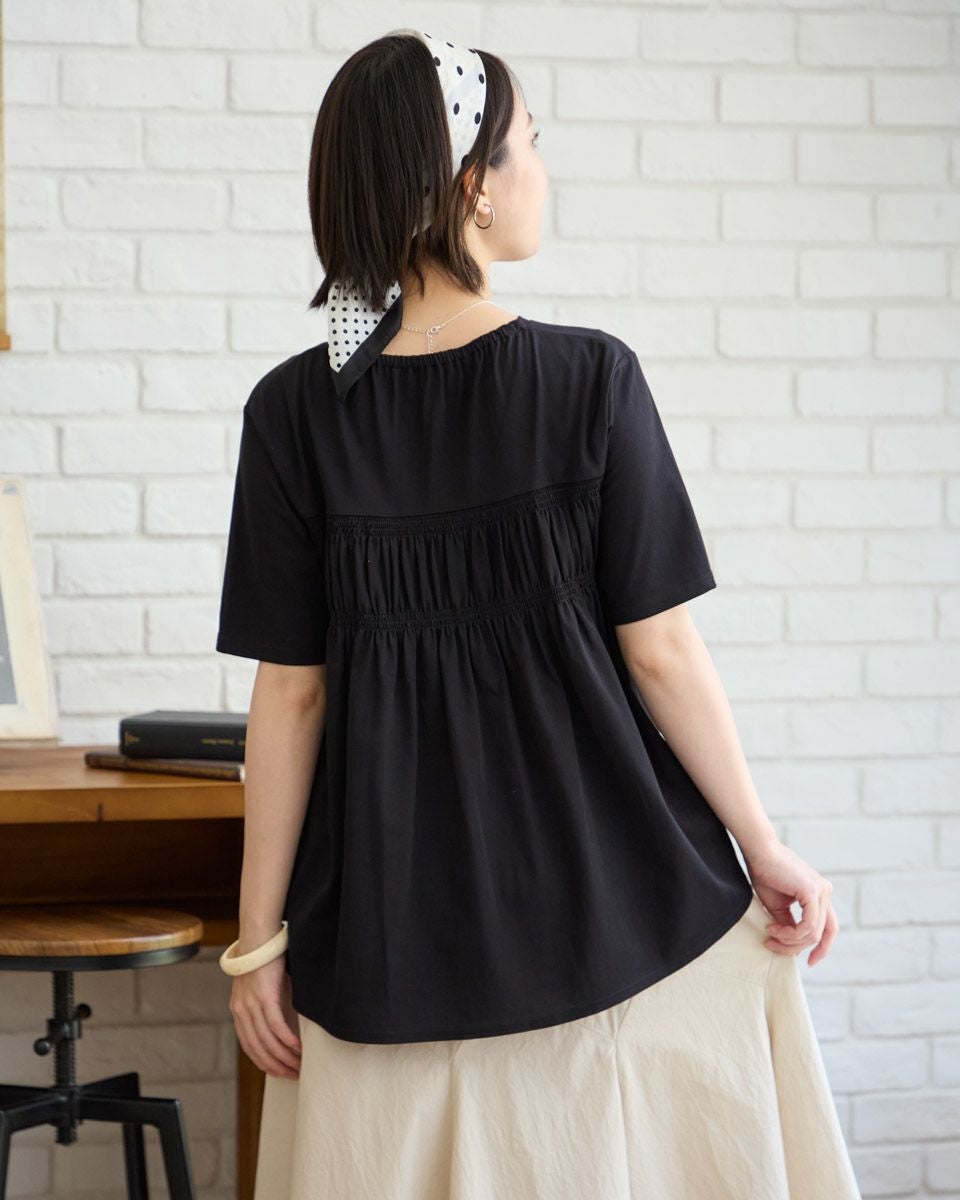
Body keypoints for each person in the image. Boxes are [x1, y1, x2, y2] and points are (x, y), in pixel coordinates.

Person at [214, 28, 863, 1200]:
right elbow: (661, 655)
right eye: (531, 145)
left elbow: (290, 697)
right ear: (473, 186)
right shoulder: (590, 380)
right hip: (607, 909)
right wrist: (762, 844)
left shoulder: (292, 413)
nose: (543, 173)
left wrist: (258, 945)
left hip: (388, 936)